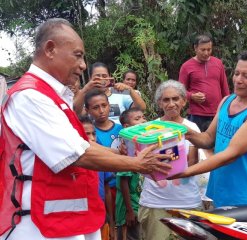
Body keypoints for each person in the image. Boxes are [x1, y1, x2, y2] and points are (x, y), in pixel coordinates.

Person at [0, 18, 171, 240]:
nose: (83, 65)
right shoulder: (30, 96)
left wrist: (117, 153)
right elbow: (76, 153)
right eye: (78, 55)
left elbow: (81, 145)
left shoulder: (50, 95)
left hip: (62, 220)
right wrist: (136, 164)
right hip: (39, 226)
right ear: (50, 49)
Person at [173, 50, 247, 208]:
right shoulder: (227, 100)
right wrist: (184, 131)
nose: (238, 80)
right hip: (221, 191)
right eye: (236, 73)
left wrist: (185, 172)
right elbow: (208, 139)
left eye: (246, 76)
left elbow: (229, 155)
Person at [138, 80, 202, 240]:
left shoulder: (191, 128)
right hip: (155, 203)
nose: (171, 104)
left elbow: (193, 163)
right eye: (166, 100)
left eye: (175, 99)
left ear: (184, 101)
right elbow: (139, 162)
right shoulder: (149, 129)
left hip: (187, 202)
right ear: (159, 103)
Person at [84, 89, 123, 237]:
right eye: (95, 107)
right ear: (87, 110)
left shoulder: (121, 129)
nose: (101, 111)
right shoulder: (88, 134)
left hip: (118, 187)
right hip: (93, 202)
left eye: (104, 105)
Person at [179, 34, 230, 132]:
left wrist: (227, 108)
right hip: (197, 115)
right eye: (203, 50)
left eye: (209, 49)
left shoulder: (218, 63)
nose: (206, 53)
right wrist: (192, 96)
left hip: (218, 113)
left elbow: (225, 88)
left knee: (217, 143)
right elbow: (180, 91)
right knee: (197, 144)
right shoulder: (186, 66)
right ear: (195, 48)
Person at [79, 115, 114, 240]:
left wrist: (110, 218)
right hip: (79, 220)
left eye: (93, 134)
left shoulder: (100, 159)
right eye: (86, 134)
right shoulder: (72, 161)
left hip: (99, 214)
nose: (92, 138)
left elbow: (107, 188)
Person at [74, 63, 146, 123]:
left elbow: (141, 108)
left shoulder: (119, 93)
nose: (101, 79)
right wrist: (85, 89)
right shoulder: (86, 97)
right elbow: (77, 114)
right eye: (97, 77)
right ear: (90, 78)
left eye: (104, 76)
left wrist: (130, 90)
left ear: (110, 77)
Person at [116, 108, 147, 240]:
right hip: (131, 207)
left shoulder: (141, 143)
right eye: (137, 118)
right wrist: (129, 211)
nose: (143, 120)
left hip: (140, 203)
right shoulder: (128, 148)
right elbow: (124, 182)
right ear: (126, 126)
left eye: (143, 117)